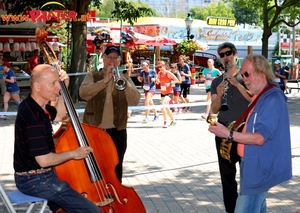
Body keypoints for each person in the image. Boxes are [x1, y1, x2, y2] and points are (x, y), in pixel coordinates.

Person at [209, 54, 292, 213]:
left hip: (258, 170)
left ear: (261, 73)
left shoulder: (272, 98)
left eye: (247, 74)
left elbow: (261, 137)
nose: (244, 78)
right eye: (242, 74)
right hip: (252, 166)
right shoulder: (260, 96)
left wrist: (229, 134)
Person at [13, 64, 101, 213]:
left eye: (58, 83)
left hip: (39, 176)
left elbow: (59, 114)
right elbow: (44, 160)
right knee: (92, 211)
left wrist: (64, 88)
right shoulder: (34, 117)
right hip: (36, 180)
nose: (57, 87)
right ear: (37, 86)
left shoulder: (36, 106)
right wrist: (74, 153)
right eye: (53, 83)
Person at [79, 46, 140, 182]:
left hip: (117, 131)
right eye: (109, 57)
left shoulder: (124, 78)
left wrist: (124, 84)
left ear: (119, 61)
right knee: (94, 167)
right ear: (104, 59)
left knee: (116, 168)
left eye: (115, 58)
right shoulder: (93, 75)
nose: (112, 61)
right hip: (94, 129)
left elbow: (135, 100)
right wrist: (104, 81)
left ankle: (115, 197)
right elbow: (83, 93)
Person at [210, 42, 252, 213]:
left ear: (235, 55)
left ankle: (248, 208)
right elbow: (214, 109)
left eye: (228, 53)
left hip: (245, 131)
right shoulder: (216, 81)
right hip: (223, 132)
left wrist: (237, 84)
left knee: (248, 176)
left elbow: (253, 99)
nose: (225, 57)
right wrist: (219, 96)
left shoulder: (247, 75)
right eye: (222, 55)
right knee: (227, 177)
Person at [156, 61, 179, 128]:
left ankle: (165, 122)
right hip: (163, 92)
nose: (159, 68)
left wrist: (170, 83)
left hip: (169, 93)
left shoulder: (168, 73)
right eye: (158, 67)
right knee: (167, 108)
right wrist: (157, 81)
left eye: (160, 66)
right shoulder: (159, 73)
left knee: (162, 105)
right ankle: (174, 120)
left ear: (164, 66)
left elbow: (177, 80)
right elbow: (158, 82)